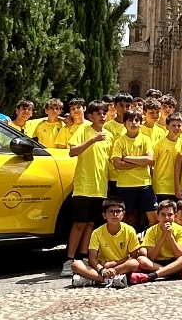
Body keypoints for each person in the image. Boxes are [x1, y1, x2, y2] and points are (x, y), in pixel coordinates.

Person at [63, 100, 113, 275]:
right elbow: (73, 151)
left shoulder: (109, 135)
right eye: (98, 113)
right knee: (79, 223)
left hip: (100, 187)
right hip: (84, 185)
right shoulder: (83, 130)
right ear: (90, 116)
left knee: (91, 223)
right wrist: (92, 140)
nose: (102, 116)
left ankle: (84, 256)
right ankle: (69, 259)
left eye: (104, 113)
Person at [71, 200, 148, 288]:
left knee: (134, 263)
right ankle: (108, 280)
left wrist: (113, 264)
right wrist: (102, 270)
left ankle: (93, 279)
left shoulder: (130, 230)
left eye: (118, 211)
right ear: (104, 215)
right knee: (76, 264)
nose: (115, 215)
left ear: (123, 214)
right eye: (111, 212)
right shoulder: (97, 232)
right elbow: (92, 258)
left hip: (121, 265)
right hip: (101, 266)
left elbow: (133, 256)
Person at [109, 109, 158, 226]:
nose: (134, 123)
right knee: (125, 218)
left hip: (144, 184)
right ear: (124, 123)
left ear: (141, 123)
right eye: (130, 120)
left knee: (154, 218)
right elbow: (117, 164)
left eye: (137, 120)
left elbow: (150, 161)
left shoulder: (145, 139)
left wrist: (127, 158)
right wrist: (141, 162)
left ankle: (150, 242)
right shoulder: (119, 141)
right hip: (125, 185)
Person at [140, 200, 182, 279]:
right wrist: (163, 235)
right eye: (163, 215)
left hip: (174, 260)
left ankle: (154, 275)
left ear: (175, 216)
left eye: (170, 215)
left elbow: (178, 254)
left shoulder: (179, 229)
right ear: (158, 216)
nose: (166, 218)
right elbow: (151, 257)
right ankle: (171, 271)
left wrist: (170, 236)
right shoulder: (151, 230)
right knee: (141, 260)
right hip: (157, 262)